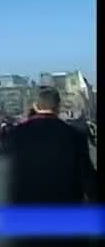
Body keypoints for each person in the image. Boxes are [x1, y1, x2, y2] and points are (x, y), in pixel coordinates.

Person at [6, 88, 98, 247]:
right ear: (58, 107)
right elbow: (88, 180)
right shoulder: (74, 135)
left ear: (35, 105)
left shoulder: (17, 134)